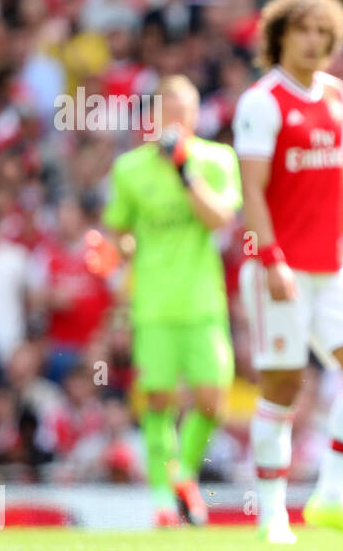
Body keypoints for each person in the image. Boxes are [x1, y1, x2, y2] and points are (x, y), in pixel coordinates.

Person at [234, 0, 343, 545]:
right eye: (305, 30)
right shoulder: (262, 100)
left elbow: (341, 176)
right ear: (279, 36)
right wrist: (269, 256)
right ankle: (272, 510)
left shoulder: (337, 95)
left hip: (332, 263)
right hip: (282, 267)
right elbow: (251, 186)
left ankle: (331, 495)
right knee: (283, 384)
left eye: (325, 33)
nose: (315, 42)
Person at [102, 75, 242, 527]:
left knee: (212, 401)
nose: (177, 119)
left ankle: (183, 475)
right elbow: (120, 233)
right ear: (153, 116)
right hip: (154, 304)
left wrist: (185, 172)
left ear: (196, 115)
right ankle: (164, 499)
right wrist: (113, 251)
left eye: (185, 111)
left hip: (203, 302)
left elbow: (219, 219)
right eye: (169, 111)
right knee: (158, 401)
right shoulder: (130, 169)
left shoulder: (217, 159)